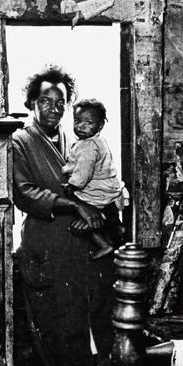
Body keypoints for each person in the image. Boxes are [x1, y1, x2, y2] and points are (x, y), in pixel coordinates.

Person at [11, 65, 116, 366]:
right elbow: (25, 193)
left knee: (94, 320)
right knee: (61, 323)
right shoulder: (20, 142)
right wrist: (74, 207)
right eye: (45, 101)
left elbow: (95, 185)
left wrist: (97, 210)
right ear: (32, 103)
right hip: (47, 244)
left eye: (60, 102)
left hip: (82, 244)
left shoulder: (77, 141)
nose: (53, 108)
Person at [62, 99, 126, 260]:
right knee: (109, 221)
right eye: (77, 121)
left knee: (80, 222)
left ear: (100, 126)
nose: (81, 126)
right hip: (109, 190)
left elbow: (83, 173)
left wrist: (72, 186)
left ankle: (105, 245)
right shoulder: (98, 140)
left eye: (88, 122)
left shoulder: (88, 146)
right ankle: (117, 230)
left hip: (97, 193)